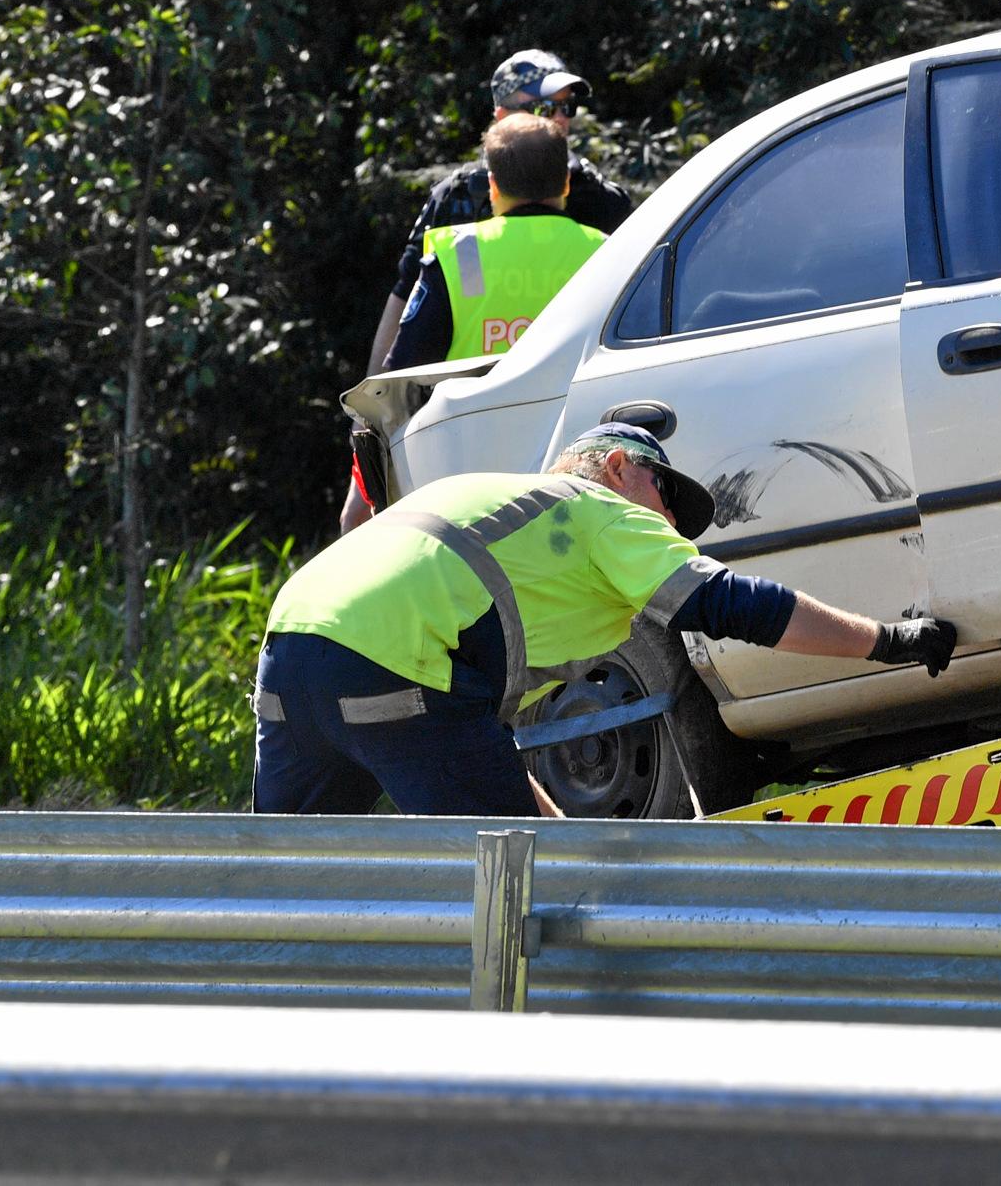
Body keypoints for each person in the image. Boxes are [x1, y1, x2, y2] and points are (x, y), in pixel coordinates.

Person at [258, 422, 958, 817]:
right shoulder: (598, 508)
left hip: (291, 647)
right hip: (401, 663)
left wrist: (564, 835)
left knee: (283, 885)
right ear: (619, 467)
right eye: (666, 494)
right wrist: (887, 640)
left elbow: (474, 744)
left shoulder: (505, 512)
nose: (673, 523)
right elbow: (734, 605)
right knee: (509, 880)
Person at [341, 48, 634, 533]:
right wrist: (366, 421)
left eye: (566, 106)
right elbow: (405, 303)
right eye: (545, 106)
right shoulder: (456, 196)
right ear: (501, 113)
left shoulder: (602, 199)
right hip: (473, 428)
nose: (559, 118)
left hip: (568, 427)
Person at [381, 113, 605, 371]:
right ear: (566, 183)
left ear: (493, 186)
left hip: (471, 412)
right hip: (579, 411)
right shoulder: (605, 251)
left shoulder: (463, 253)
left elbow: (404, 368)